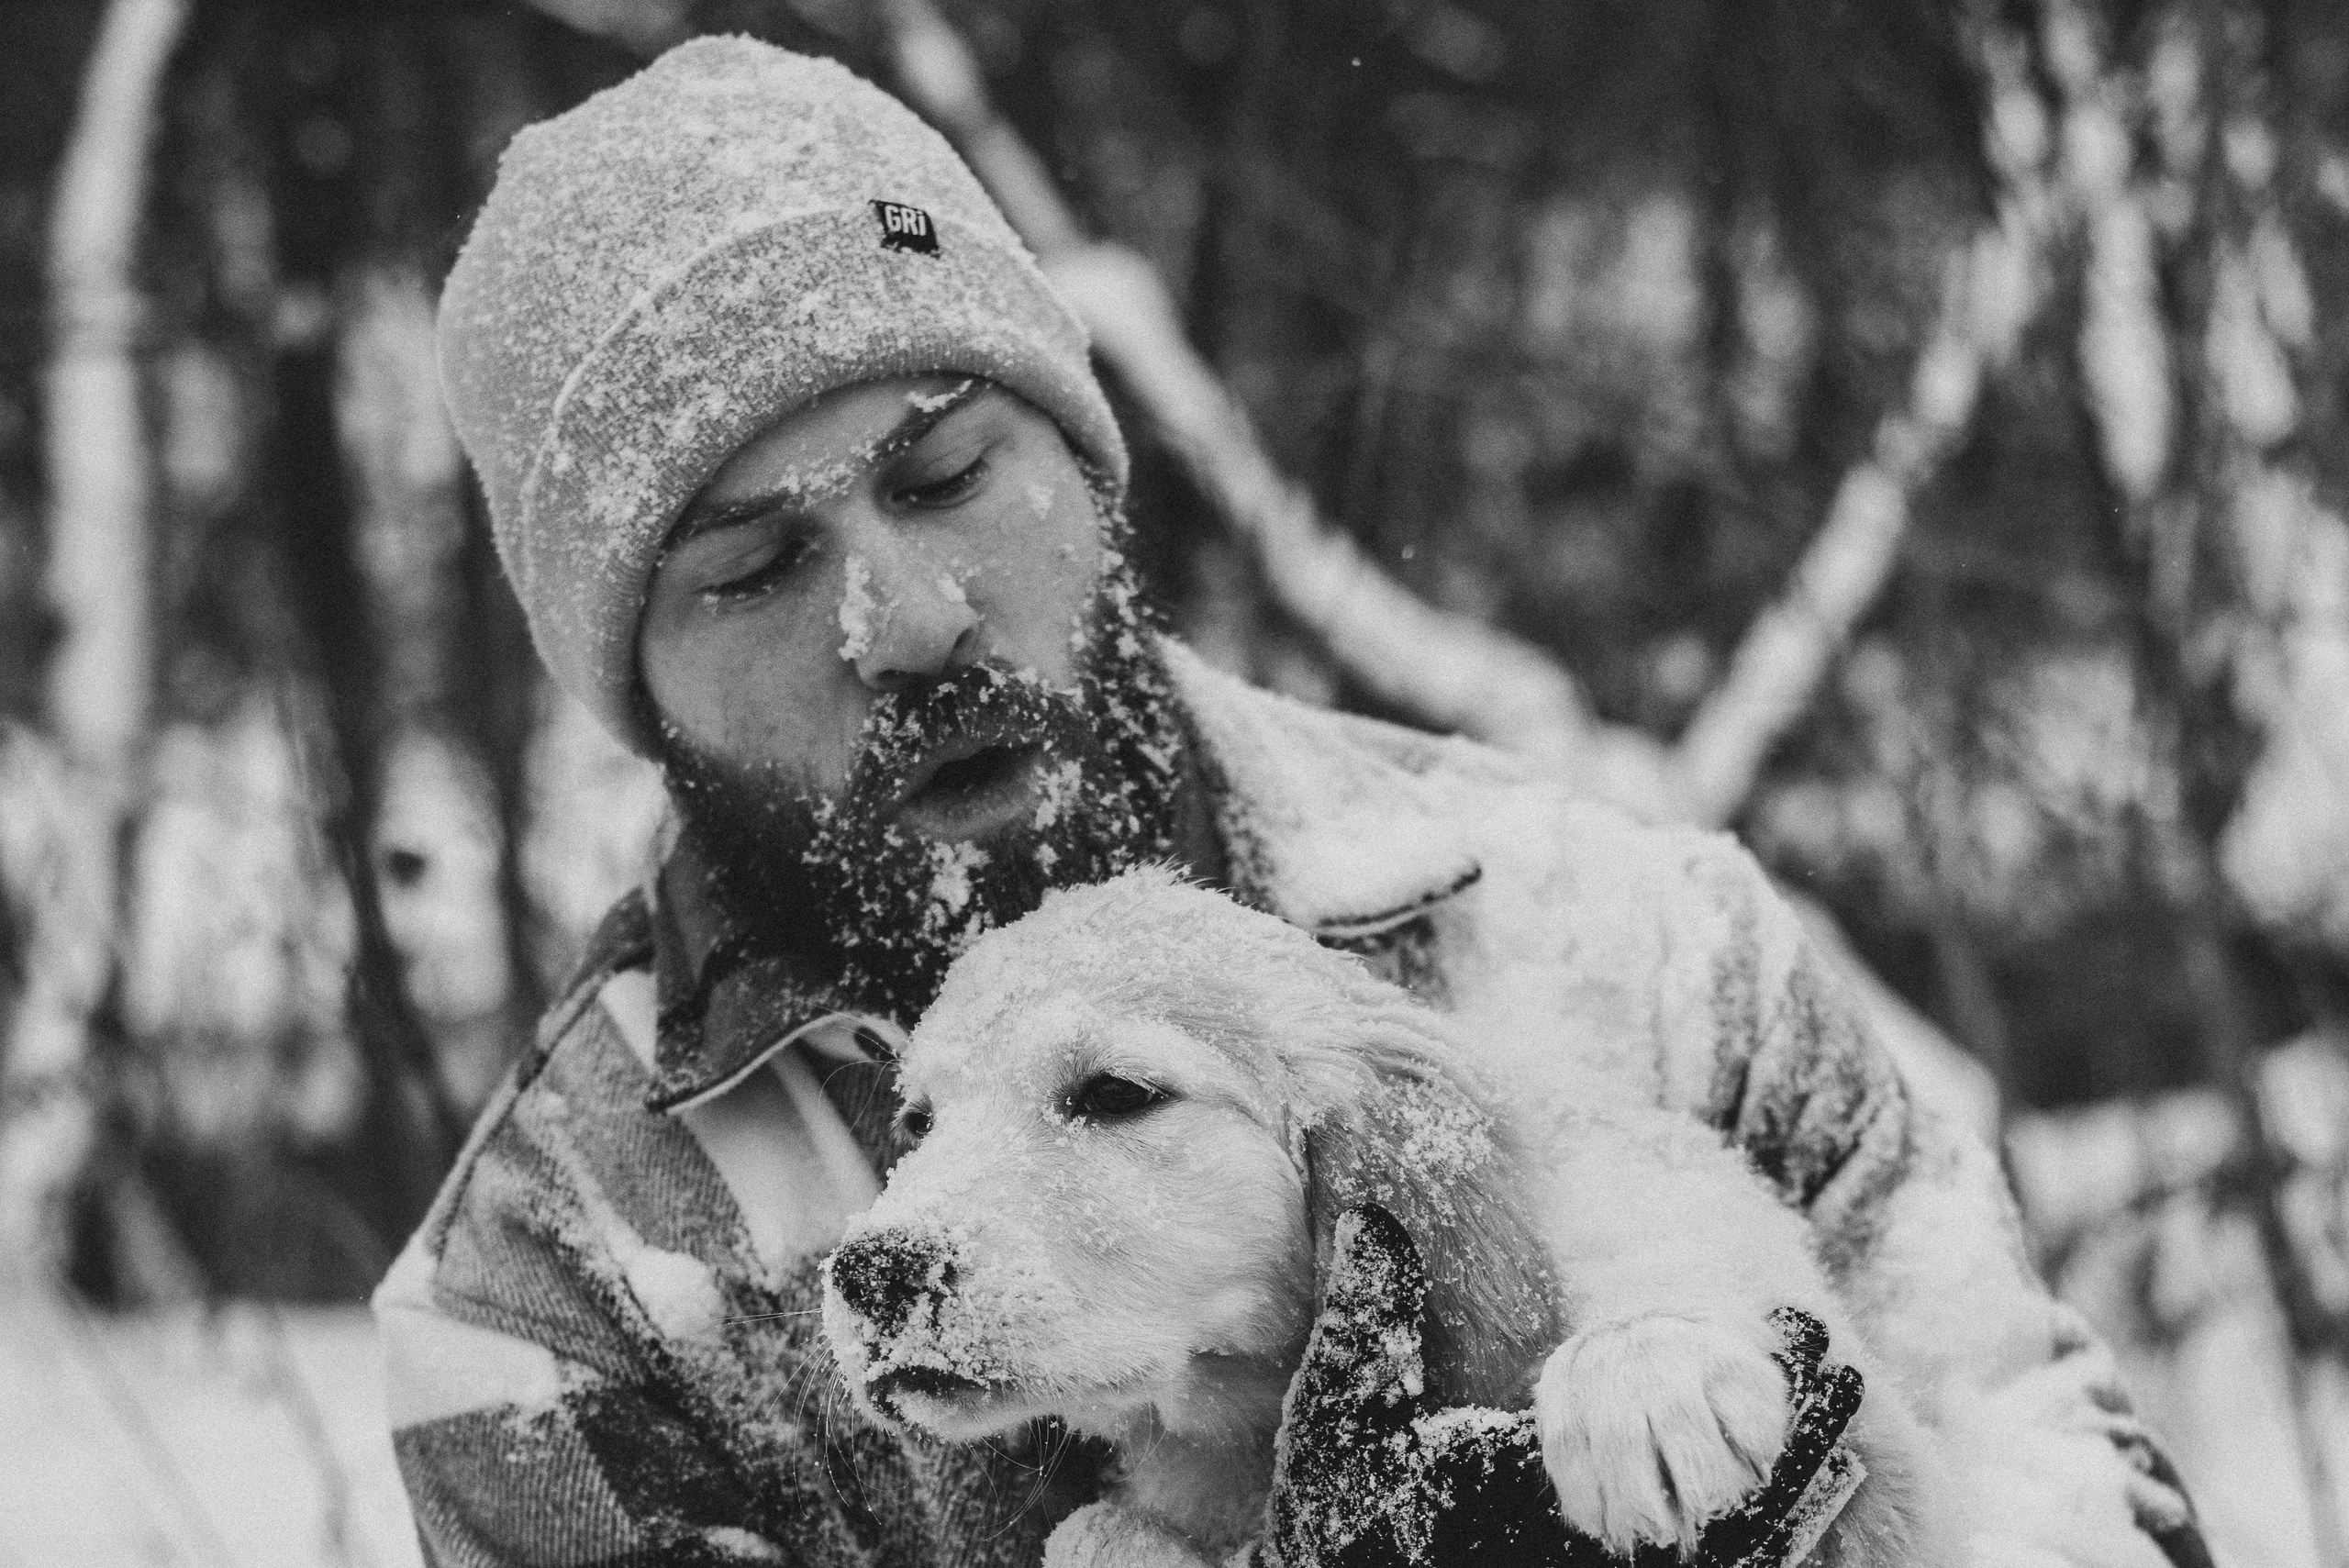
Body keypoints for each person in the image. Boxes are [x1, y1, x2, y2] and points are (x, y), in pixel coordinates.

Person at [373, 35, 2209, 1568]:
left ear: (1085, 466)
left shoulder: (1611, 920)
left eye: (944, 476)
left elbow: (2089, 1498)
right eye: (757, 568)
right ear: (636, 690)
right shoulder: (554, 1291)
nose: (908, 618)